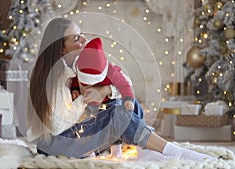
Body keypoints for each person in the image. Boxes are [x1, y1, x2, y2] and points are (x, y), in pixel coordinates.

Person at [26, 17, 214, 161]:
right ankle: (174, 151)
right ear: (61, 50)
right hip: (56, 144)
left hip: (71, 138)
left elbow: (124, 83)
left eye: (81, 33)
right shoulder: (55, 78)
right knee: (116, 112)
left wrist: (103, 90)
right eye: (76, 38)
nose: (84, 39)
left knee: (126, 104)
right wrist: (83, 101)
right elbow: (56, 126)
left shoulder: (81, 65)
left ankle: (145, 148)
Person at [70, 37, 134, 112]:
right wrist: (75, 89)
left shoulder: (112, 72)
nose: (86, 85)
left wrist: (128, 99)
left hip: (111, 102)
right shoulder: (79, 66)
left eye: (88, 84)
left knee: (118, 114)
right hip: (92, 106)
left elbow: (125, 85)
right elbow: (75, 79)